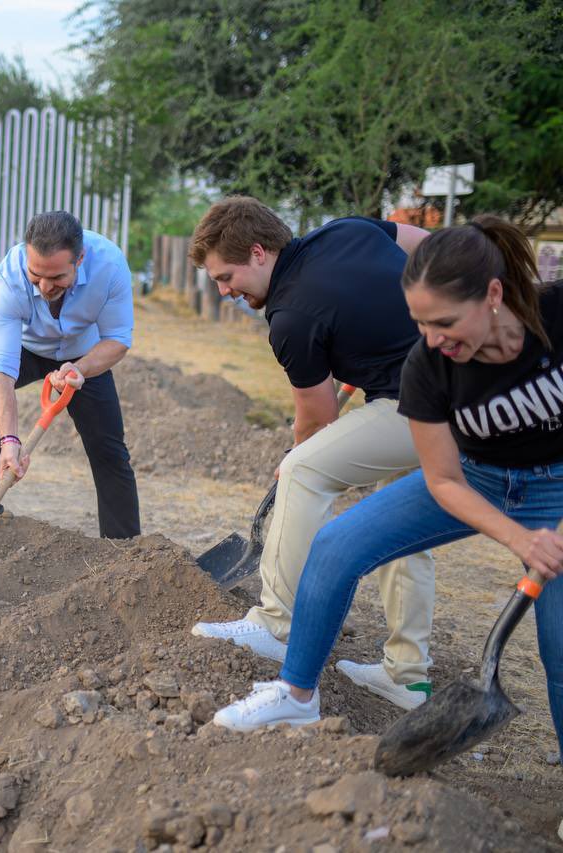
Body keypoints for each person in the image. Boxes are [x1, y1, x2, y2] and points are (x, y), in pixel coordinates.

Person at [211, 218, 562, 786]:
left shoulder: (555, 315)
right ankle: (296, 693)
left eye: (446, 321)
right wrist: (519, 539)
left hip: (557, 484)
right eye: (421, 323)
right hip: (477, 478)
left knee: (560, 644)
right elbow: (444, 480)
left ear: (493, 294)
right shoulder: (426, 364)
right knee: (335, 545)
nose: (433, 339)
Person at [187, 197, 438, 710]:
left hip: (427, 404)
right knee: (402, 521)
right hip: (463, 384)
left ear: (259, 253)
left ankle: (274, 623)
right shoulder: (346, 230)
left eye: (226, 275)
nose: (224, 290)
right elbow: (432, 245)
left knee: (303, 469)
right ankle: (408, 677)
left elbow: (319, 416)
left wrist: (294, 457)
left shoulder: (291, 316)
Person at [0, 210, 140, 540]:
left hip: (83, 355)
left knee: (109, 448)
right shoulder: (11, 275)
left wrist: (80, 370)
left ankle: (124, 546)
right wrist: (9, 440)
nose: (45, 286)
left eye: (57, 277)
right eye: (36, 275)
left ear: (79, 258)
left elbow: (118, 339)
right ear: (26, 253)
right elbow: (0, 366)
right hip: (27, 346)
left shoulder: (109, 265)